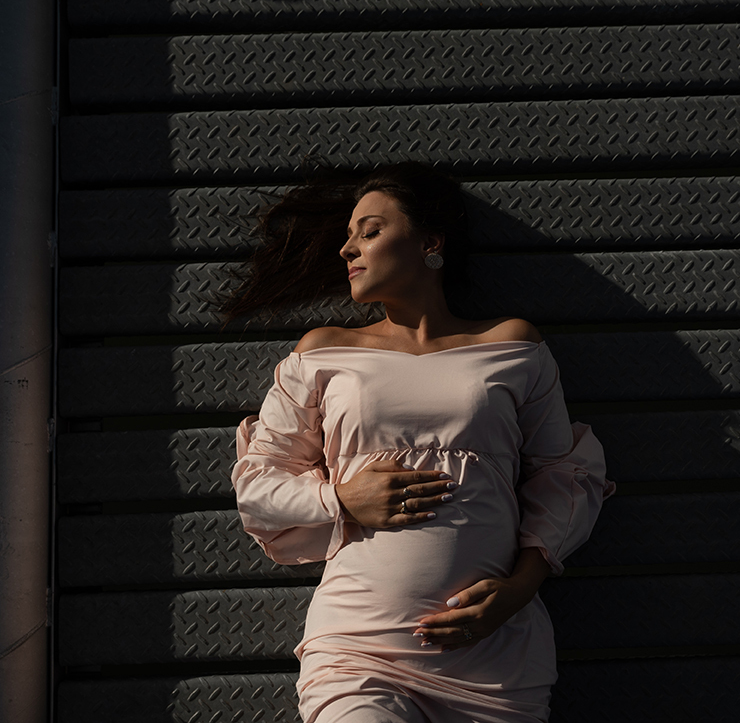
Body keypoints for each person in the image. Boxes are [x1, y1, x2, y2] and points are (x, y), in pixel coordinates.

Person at [224, 162, 613, 723]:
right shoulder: (323, 352)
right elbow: (259, 486)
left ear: (430, 243)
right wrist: (341, 499)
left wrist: (520, 587)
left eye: (370, 231)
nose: (348, 249)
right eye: (349, 235)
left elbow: (565, 476)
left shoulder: (512, 346)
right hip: (359, 648)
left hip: (493, 658)